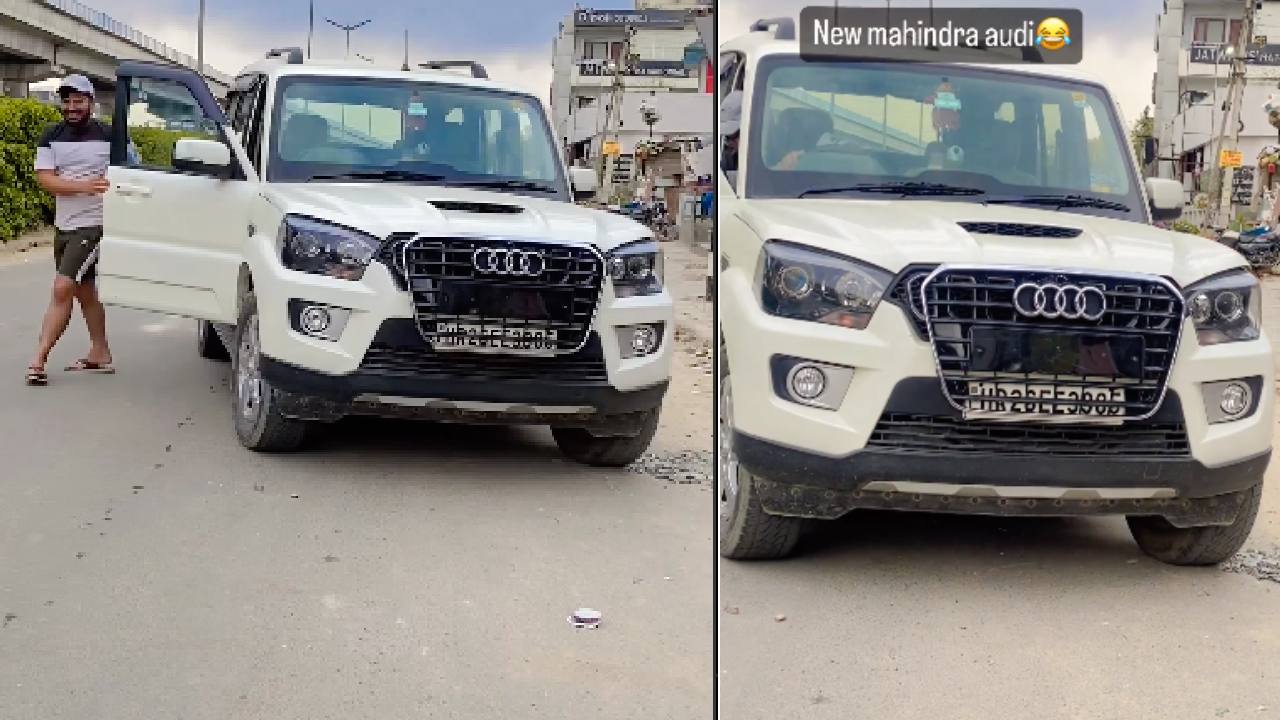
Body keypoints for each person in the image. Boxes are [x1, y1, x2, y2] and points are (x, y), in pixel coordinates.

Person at [27, 75, 114, 386]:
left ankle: (38, 360)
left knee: (62, 287)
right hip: (64, 226)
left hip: (93, 224)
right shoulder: (51, 136)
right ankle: (100, 351)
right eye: (67, 101)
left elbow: (131, 173)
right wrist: (83, 186)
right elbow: (46, 179)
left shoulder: (111, 135)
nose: (72, 107)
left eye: (78, 101)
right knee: (84, 290)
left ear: (91, 102)